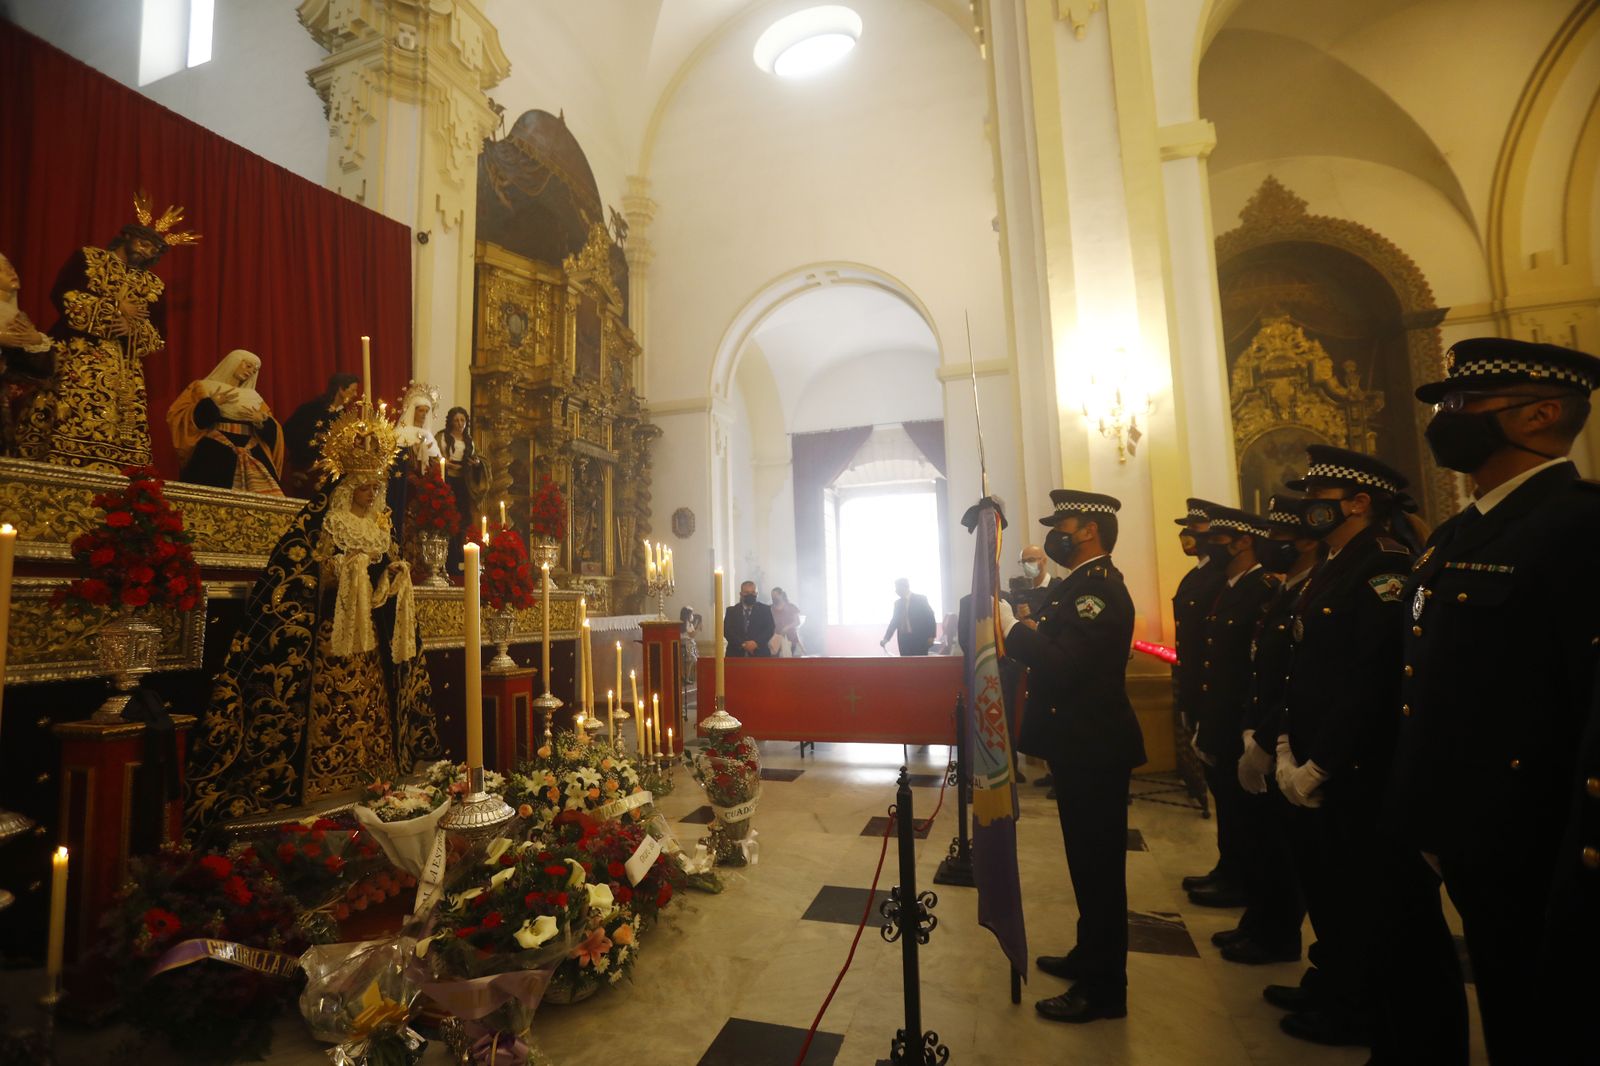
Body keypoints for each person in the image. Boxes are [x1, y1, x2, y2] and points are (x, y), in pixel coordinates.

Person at [1390, 338, 1600, 1064]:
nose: (1450, 416)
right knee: (1507, 1007)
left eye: (1468, 403)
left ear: (1543, 412)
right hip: (1462, 826)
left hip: (1534, 836)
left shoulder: (1580, 527)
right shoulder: (1459, 532)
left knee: (1545, 1021)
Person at [1273, 444, 1464, 1060]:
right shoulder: (1337, 562)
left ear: (1359, 503)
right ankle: (1355, 1005)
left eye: (1318, 502)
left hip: (1362, 772)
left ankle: (1389, 1028)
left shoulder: (1382, 565)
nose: (1307, 512)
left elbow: (1371, 677)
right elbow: (1309, 667)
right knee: (1347, 904)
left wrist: (1323, 761)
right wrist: (1286, 743)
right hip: (1325, 763)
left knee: (1391, 920)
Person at [185, 404, 439, 833]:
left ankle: (373, 774)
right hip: (327, 642)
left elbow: (382, 586)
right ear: (348, 487)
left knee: (369, 711)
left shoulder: (380, 530)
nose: (372, 495)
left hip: (368, 645)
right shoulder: (323, 523)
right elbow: (300, 575)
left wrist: (393, 576)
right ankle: (321, 786)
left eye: (376, 488)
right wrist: (343, 570)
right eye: (365, 488)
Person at [999, 489, 1145, 1024]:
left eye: (1062, 524)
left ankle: (1103, 989)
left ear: (1088, 529)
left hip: (1094, 745)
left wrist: (1015, 630)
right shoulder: (1080, 585)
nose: (1054, 533)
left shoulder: (1099, 589)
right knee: (1086, 863)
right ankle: (1090, 955)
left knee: (1100, 869)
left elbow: (1065, 665)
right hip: (1080, 744)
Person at [16, 193, 198, 471]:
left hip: (124, 366)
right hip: (78, 352)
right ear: (126, 236)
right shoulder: (89, 258)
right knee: (69, 410)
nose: (148, 251)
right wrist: (114, 307)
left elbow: (158, 335)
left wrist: (131, 328)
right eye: (144, 242)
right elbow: (64, 295)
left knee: (121, 422)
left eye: (154, 250)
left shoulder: (154, 285)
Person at [1224, 496, 1315, 975]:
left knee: (1287, 855)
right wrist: (1249, 730)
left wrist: (1270, 739)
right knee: (1267, 843)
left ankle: (1277, 933)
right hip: (1265, 730)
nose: (1269, 546)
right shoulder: (1286, 590)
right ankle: (1263, 922)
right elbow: (1262, 668)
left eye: (1278, 538)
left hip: (1292, 742)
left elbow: (1300, 676)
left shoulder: (1307, 589)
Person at [1188, 507, 1281, 922]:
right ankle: (1231, 871)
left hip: (1239, 721)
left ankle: (1246, 885)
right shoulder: (1230, 587)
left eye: (1219, 539)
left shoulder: (1261, 587)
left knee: (1250, 818)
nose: (1209, 544)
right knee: (1229, 805)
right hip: (1220, 717)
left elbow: (1254, 666)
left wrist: (1248, 727)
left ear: (1245, 541)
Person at [1173, 498, 1232, 888]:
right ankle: (1229, 868)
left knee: (1232, 797)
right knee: (1222, 792)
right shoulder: (1198, 576)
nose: (1187, 538)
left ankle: (1237, 874)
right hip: (1198, 689)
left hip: (1220, 696)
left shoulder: (1220, 578)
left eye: (1195, 531)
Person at [166, 349, 285, 494]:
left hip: (252, 451)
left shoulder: (255, 398)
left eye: (254, 371)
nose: (250, 372)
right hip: (214, 452)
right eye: (247, 366)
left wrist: (262, 421)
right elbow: (180, 417)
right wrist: (211, 404)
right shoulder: (202, 387)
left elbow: (274, 433)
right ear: (233, 361)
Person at [0, 252, 54, 454]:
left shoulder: (19, 318)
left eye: (11, 267)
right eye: (1, 269)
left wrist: (36, 342)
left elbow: (40, 370)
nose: (11, 272)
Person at [282, 372, 359, 496]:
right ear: (341, 389)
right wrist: (315, 439)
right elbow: (289, 431)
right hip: (307, 471)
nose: (355, 394)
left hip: (334, 474)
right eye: (353, 390)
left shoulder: (345, 416)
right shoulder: (311, 409)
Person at [435, 405, 488, 576]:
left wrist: (477, 464)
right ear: (450, 421)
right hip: (447, 480)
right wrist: (444, 463)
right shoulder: (442, 437)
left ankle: (460, 558)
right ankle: (446, 560)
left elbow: (479, 459)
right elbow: (434, 457)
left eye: (463, 420)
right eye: (456, 420)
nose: (460, 424)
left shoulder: (469, 441)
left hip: (463, 482)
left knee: (463, 520)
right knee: (447, 519)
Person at [879, 577, 936, 656]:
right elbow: (894, 622)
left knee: (919, 665)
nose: (896, 590)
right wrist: (886, 639)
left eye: (897, 587)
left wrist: (931, 636)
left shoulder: (920, 599)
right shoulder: (897, 603)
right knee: (906, 665)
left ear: (905, 587)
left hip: (919, 638)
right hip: (904, 640)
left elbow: (930, 617)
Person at [723, 581, 775, 658]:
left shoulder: (765, 610)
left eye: (753, 592)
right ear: (741, 594)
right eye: (746, 592)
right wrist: (742, 644)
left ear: (757, 594)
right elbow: (727, 631)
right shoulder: (731, 611)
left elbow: (770, 629)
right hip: (735, 654)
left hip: (760, 654)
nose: (750, 595)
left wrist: (756, 643)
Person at [769, 586, 805, 656]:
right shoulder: (770, 608)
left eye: (775, 595)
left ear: (781, 595)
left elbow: (797, 621)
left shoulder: (791, 607)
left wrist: (787, 628)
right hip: (775, 639)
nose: (773, 597)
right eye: (772, 596)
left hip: (790, 637)